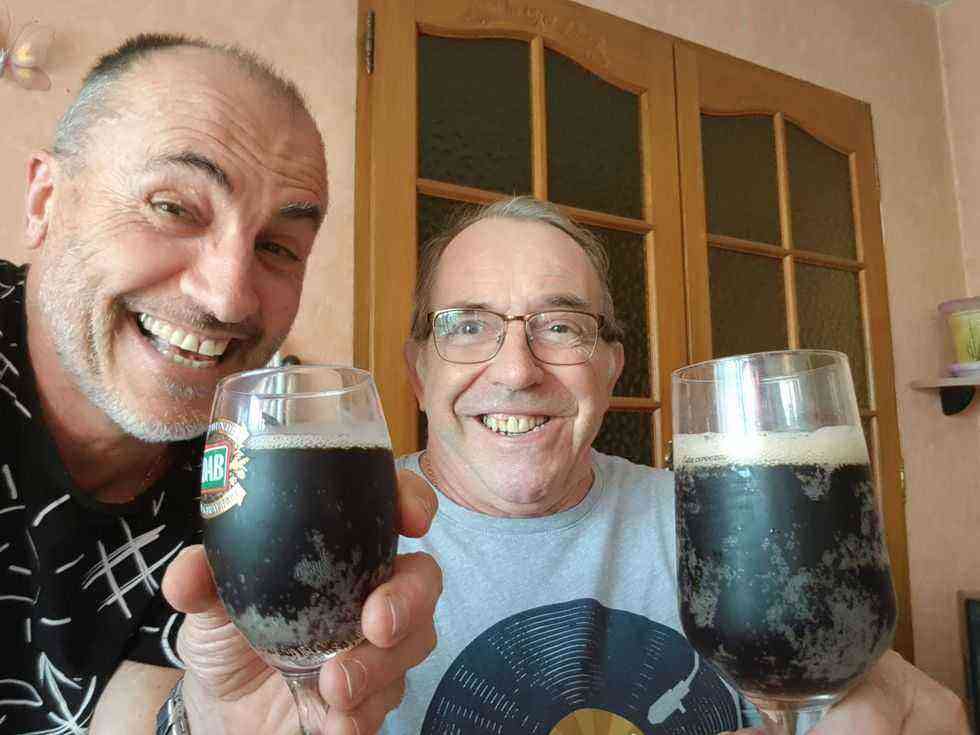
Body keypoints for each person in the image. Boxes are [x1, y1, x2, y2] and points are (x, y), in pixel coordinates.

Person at [386, 195, 970, 734]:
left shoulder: (715, 519)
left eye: (560, 327)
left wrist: (883, 698)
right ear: (418, 373)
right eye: (467, 326)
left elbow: (851, 691)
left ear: (611, 370)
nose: (516, 371)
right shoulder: (360, 538)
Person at [0, 34, 440, 734]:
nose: (231, 297)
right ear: (45, 200)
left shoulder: (270, 473)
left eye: (277, 247)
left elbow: (143, 707)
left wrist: (210, 721)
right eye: (174, 207)